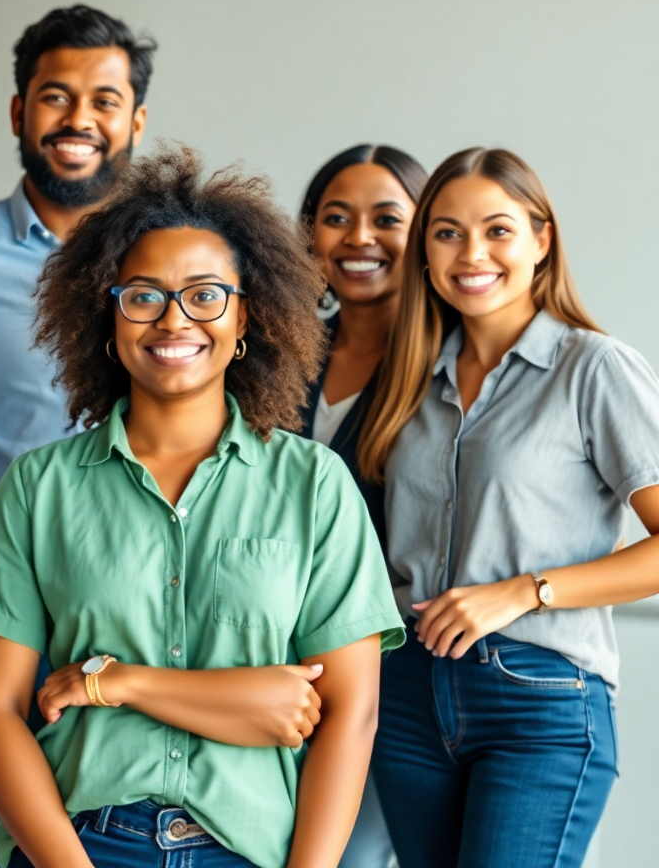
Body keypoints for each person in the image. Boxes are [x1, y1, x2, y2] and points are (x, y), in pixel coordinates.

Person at [0, 146, 406, 868]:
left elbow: (348, 715)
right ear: (107, 315)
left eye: (204, 294)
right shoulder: (40, 488)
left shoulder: (315, 486)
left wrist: (117, 683)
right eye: (143, 295)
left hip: (249, 849)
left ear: (247, 316)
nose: (173, 320)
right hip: (86, 843)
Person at [0, 3, 156, 867]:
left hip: (152, 619)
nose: (79, 118)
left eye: (104, 99)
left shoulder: (179, 262)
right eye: (55, 95)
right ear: (18, 113)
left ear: (136, 121)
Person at [358, 148, 659, 868]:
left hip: (539, 697)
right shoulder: (409, 384)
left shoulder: (594, 369)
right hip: (406, 698)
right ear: (425, 253)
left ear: (541, 240)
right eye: (447, 232)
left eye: (498, 230)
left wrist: (524, 593)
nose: (472, 254)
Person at [298, 144, 427, 868]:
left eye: (386, 219)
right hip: (278, 666)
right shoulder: (276, 356)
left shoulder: (447, 368)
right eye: (335, 218)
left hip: (397, 671)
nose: (358, 239)